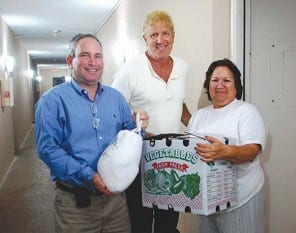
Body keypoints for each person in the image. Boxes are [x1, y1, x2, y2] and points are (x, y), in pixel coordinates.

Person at [34, 33, 148, 233]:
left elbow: (129, 138)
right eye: (85, 55)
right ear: (71, 61)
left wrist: (140, 129)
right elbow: (48, 149)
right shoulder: (52, 101)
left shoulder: (116, 98)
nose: (93, 62)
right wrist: (88, 176)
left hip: (116, 203)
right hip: (76, 206)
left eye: (98, 56)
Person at [112, 10, 191, 233]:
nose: (160, 40)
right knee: (141, 221)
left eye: (165, 33)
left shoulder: (183, 68)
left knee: (169, 220)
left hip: (173, 156)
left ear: (173, 36)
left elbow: (178, 101)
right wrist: (134, 123)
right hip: (139, 155)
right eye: (153, 34)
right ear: (144, 38)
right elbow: (113, 109)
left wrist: (195, 125)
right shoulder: (130, 69)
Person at [187, 58, 266, 233]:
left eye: (226, 80)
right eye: (215, 80)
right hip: (206, 202)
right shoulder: (199, 116)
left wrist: (225, 151)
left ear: (236, 86)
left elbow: (252, 151)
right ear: (208, 85)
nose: (220, 85)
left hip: (241, 199)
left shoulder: (246, 112)